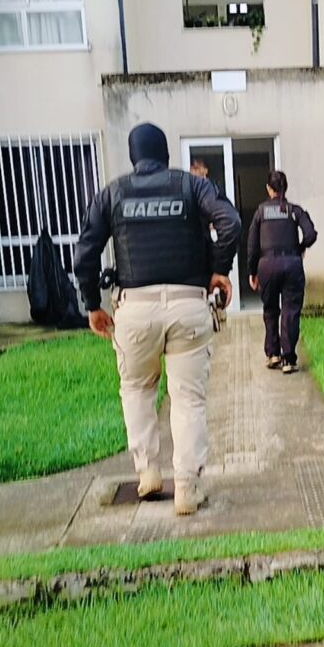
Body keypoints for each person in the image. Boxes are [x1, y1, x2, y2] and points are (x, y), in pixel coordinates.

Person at [73, 122, 241, 514]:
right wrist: (219, 269)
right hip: (188, 306)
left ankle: (148, 473)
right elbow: (230, 223)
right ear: (166, 155)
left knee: (136, 390)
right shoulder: (192, 186)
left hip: (134, 309)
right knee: (188, 399)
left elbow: (85, 253)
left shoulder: (112, 194)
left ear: (133, 157)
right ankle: (187, 488)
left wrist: (92, 304)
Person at [247, 170, 317, 373]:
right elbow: (311, 234)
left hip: (267, 265)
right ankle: (288, 359)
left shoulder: (260, 212)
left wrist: (252, 271)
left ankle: (273, 354)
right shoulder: (294, 210)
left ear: (268, 189)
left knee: (270, 310)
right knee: (290, 311)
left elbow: (252, 245)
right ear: (285, 188)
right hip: (291, 264)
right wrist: (300, 248)